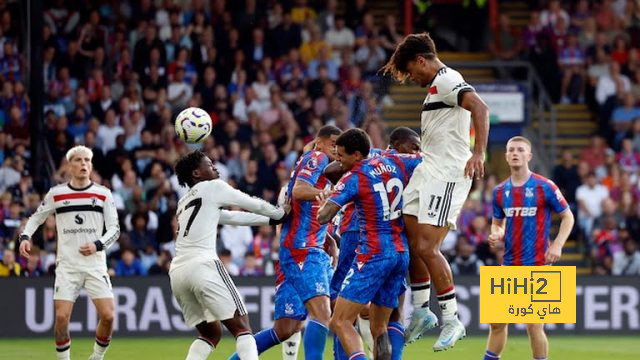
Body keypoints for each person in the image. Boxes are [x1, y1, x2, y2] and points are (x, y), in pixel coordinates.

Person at [381, 32, 490, 350]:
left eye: (411, 72)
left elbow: (480, 108)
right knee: (411, 238)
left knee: (428, 247)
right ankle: (422, 309)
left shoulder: (447, 79)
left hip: (448, 174)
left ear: (421, 61)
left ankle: (452, 319)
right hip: (428, 171)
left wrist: (479, 152)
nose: (412, 78)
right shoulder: (435, 88)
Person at [228, 125, 342, 360]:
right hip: (303, 250)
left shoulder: (315, 163)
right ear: (319, 142)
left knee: (285, 329)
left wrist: (327, 237)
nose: (336, 148)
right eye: (333, 142)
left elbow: (303, 207)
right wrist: (328, 195)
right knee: (324, 314)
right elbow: (299, 191)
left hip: (302, 248)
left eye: (339, 145)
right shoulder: (316, 157)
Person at [170, 150, 287, 360]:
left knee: (210, 334)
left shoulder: (184, 202)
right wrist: (279, 213)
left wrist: (270, 221)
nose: (215, 167)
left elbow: (231, 217)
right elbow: (251, 202)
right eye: (210, 164)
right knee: (242, 328)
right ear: (197, 173)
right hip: (202, 264)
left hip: (178, 272)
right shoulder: (214, 187)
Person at [316, 128, 422, 360]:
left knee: (340, 321)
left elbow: (323, 216)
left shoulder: (353, 177)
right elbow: (424, 160)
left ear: (356, 155)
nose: (339, 160)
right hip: (400, 253)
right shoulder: (395, 161)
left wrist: (330, 196)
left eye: (342, 155)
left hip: (373, 253)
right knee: (379, 328)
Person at [19, 145, 120, 360]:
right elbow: (37, 217)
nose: (83, 164)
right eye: (78, 160)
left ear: (91, 165)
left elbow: (115, 229)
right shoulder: (57, 194)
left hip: (95, 264)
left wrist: (97, 244)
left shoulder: (103, 194)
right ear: (69, 165)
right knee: (62, 317)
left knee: (109, 316)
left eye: (87, 160)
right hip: (68, 266)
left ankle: (97, 357)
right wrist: (25, 236)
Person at [485, 136, 574, 360]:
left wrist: (558, 244)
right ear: (506, 156)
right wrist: (496, 233)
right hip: (508, 265)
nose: (515, 153)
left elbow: (567, 216)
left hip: (538, 265)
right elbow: (498, 222)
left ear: (529, 156)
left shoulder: (545, 186)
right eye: (511, 150)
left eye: (520, 150)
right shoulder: (499, 191)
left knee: (534, 326)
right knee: (496, 324)